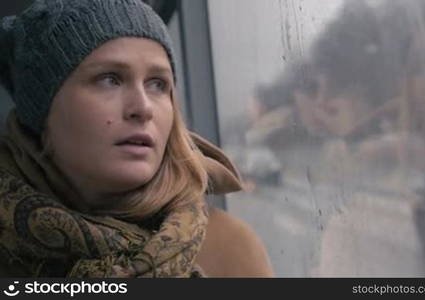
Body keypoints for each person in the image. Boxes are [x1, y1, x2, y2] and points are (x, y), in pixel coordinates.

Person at [0, 0, 273, 278]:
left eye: (158, 84)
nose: (143, 108)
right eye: (109, 79)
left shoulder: (228, 250)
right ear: (42, 109)